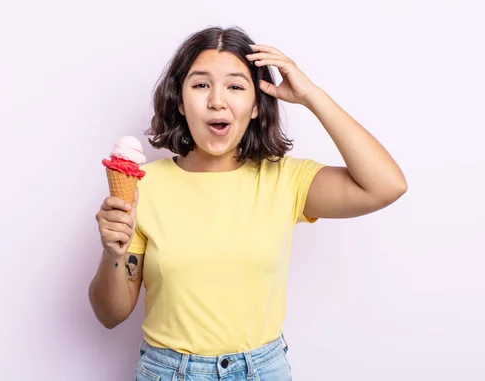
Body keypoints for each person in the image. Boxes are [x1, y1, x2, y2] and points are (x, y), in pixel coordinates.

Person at [89, 26, 407, 381]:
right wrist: (112, 254)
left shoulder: (285, 179)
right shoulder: (143, 187)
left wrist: (311, 95)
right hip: (169, 372)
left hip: (262, 370)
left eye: (236, 86)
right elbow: (110, 314)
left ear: (256, 106)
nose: (217, 101)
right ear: (180, 100)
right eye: (200, 84)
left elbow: (386, 185)